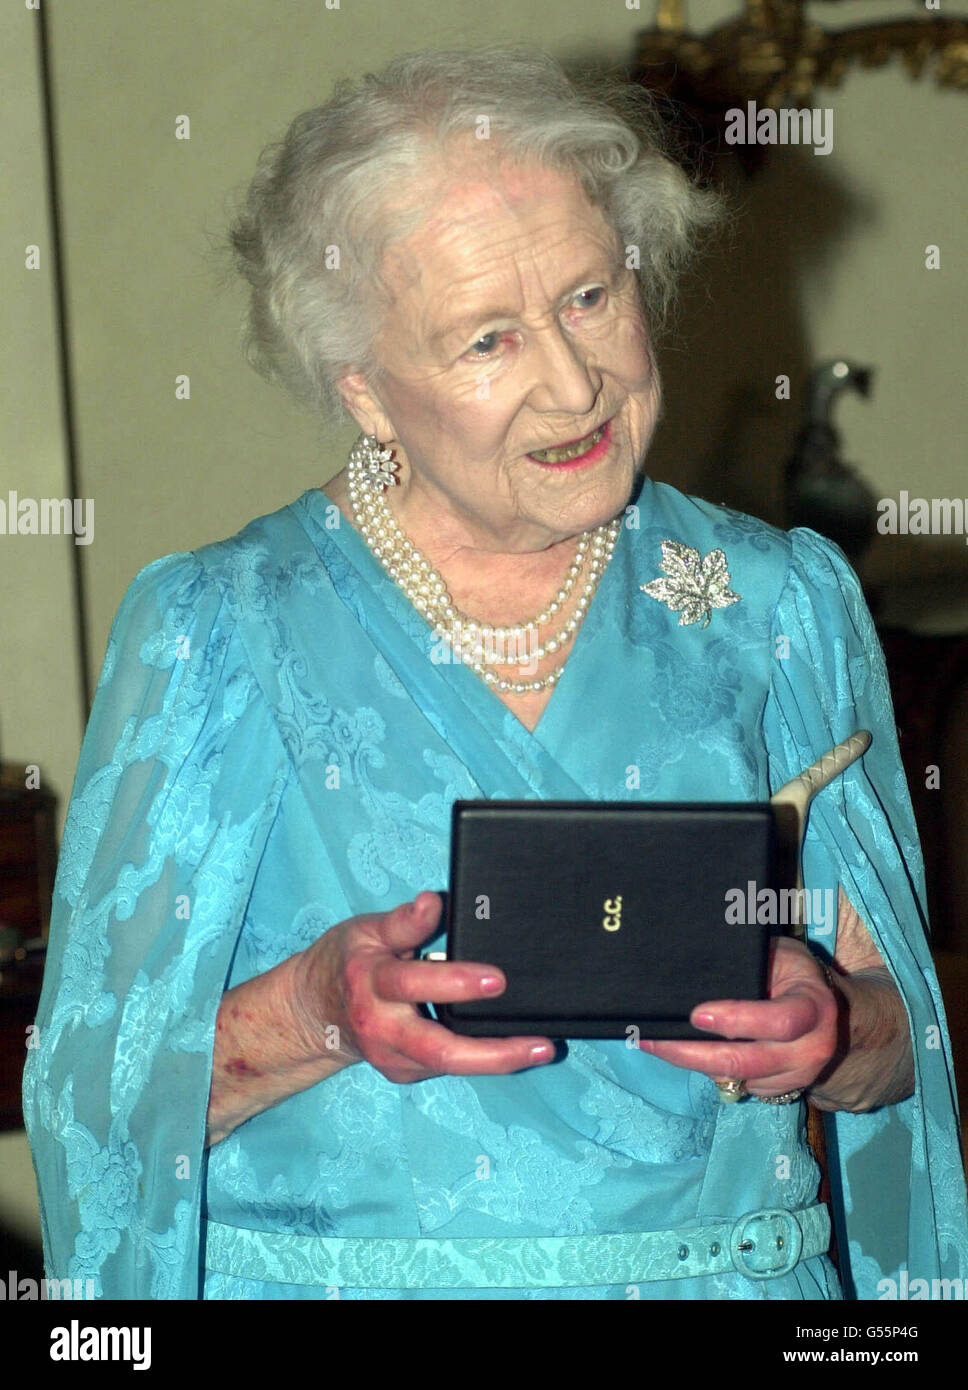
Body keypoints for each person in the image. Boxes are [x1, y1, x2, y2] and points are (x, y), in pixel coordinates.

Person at [24, 46, 968, 1301]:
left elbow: (904, 1055)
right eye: (486, 339)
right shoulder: (221, 628)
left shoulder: (776, 601)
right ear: (363, 388)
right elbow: (92, 1105)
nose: (575, 383)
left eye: (589, 296)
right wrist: (313, 1009)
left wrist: (837, 1032)